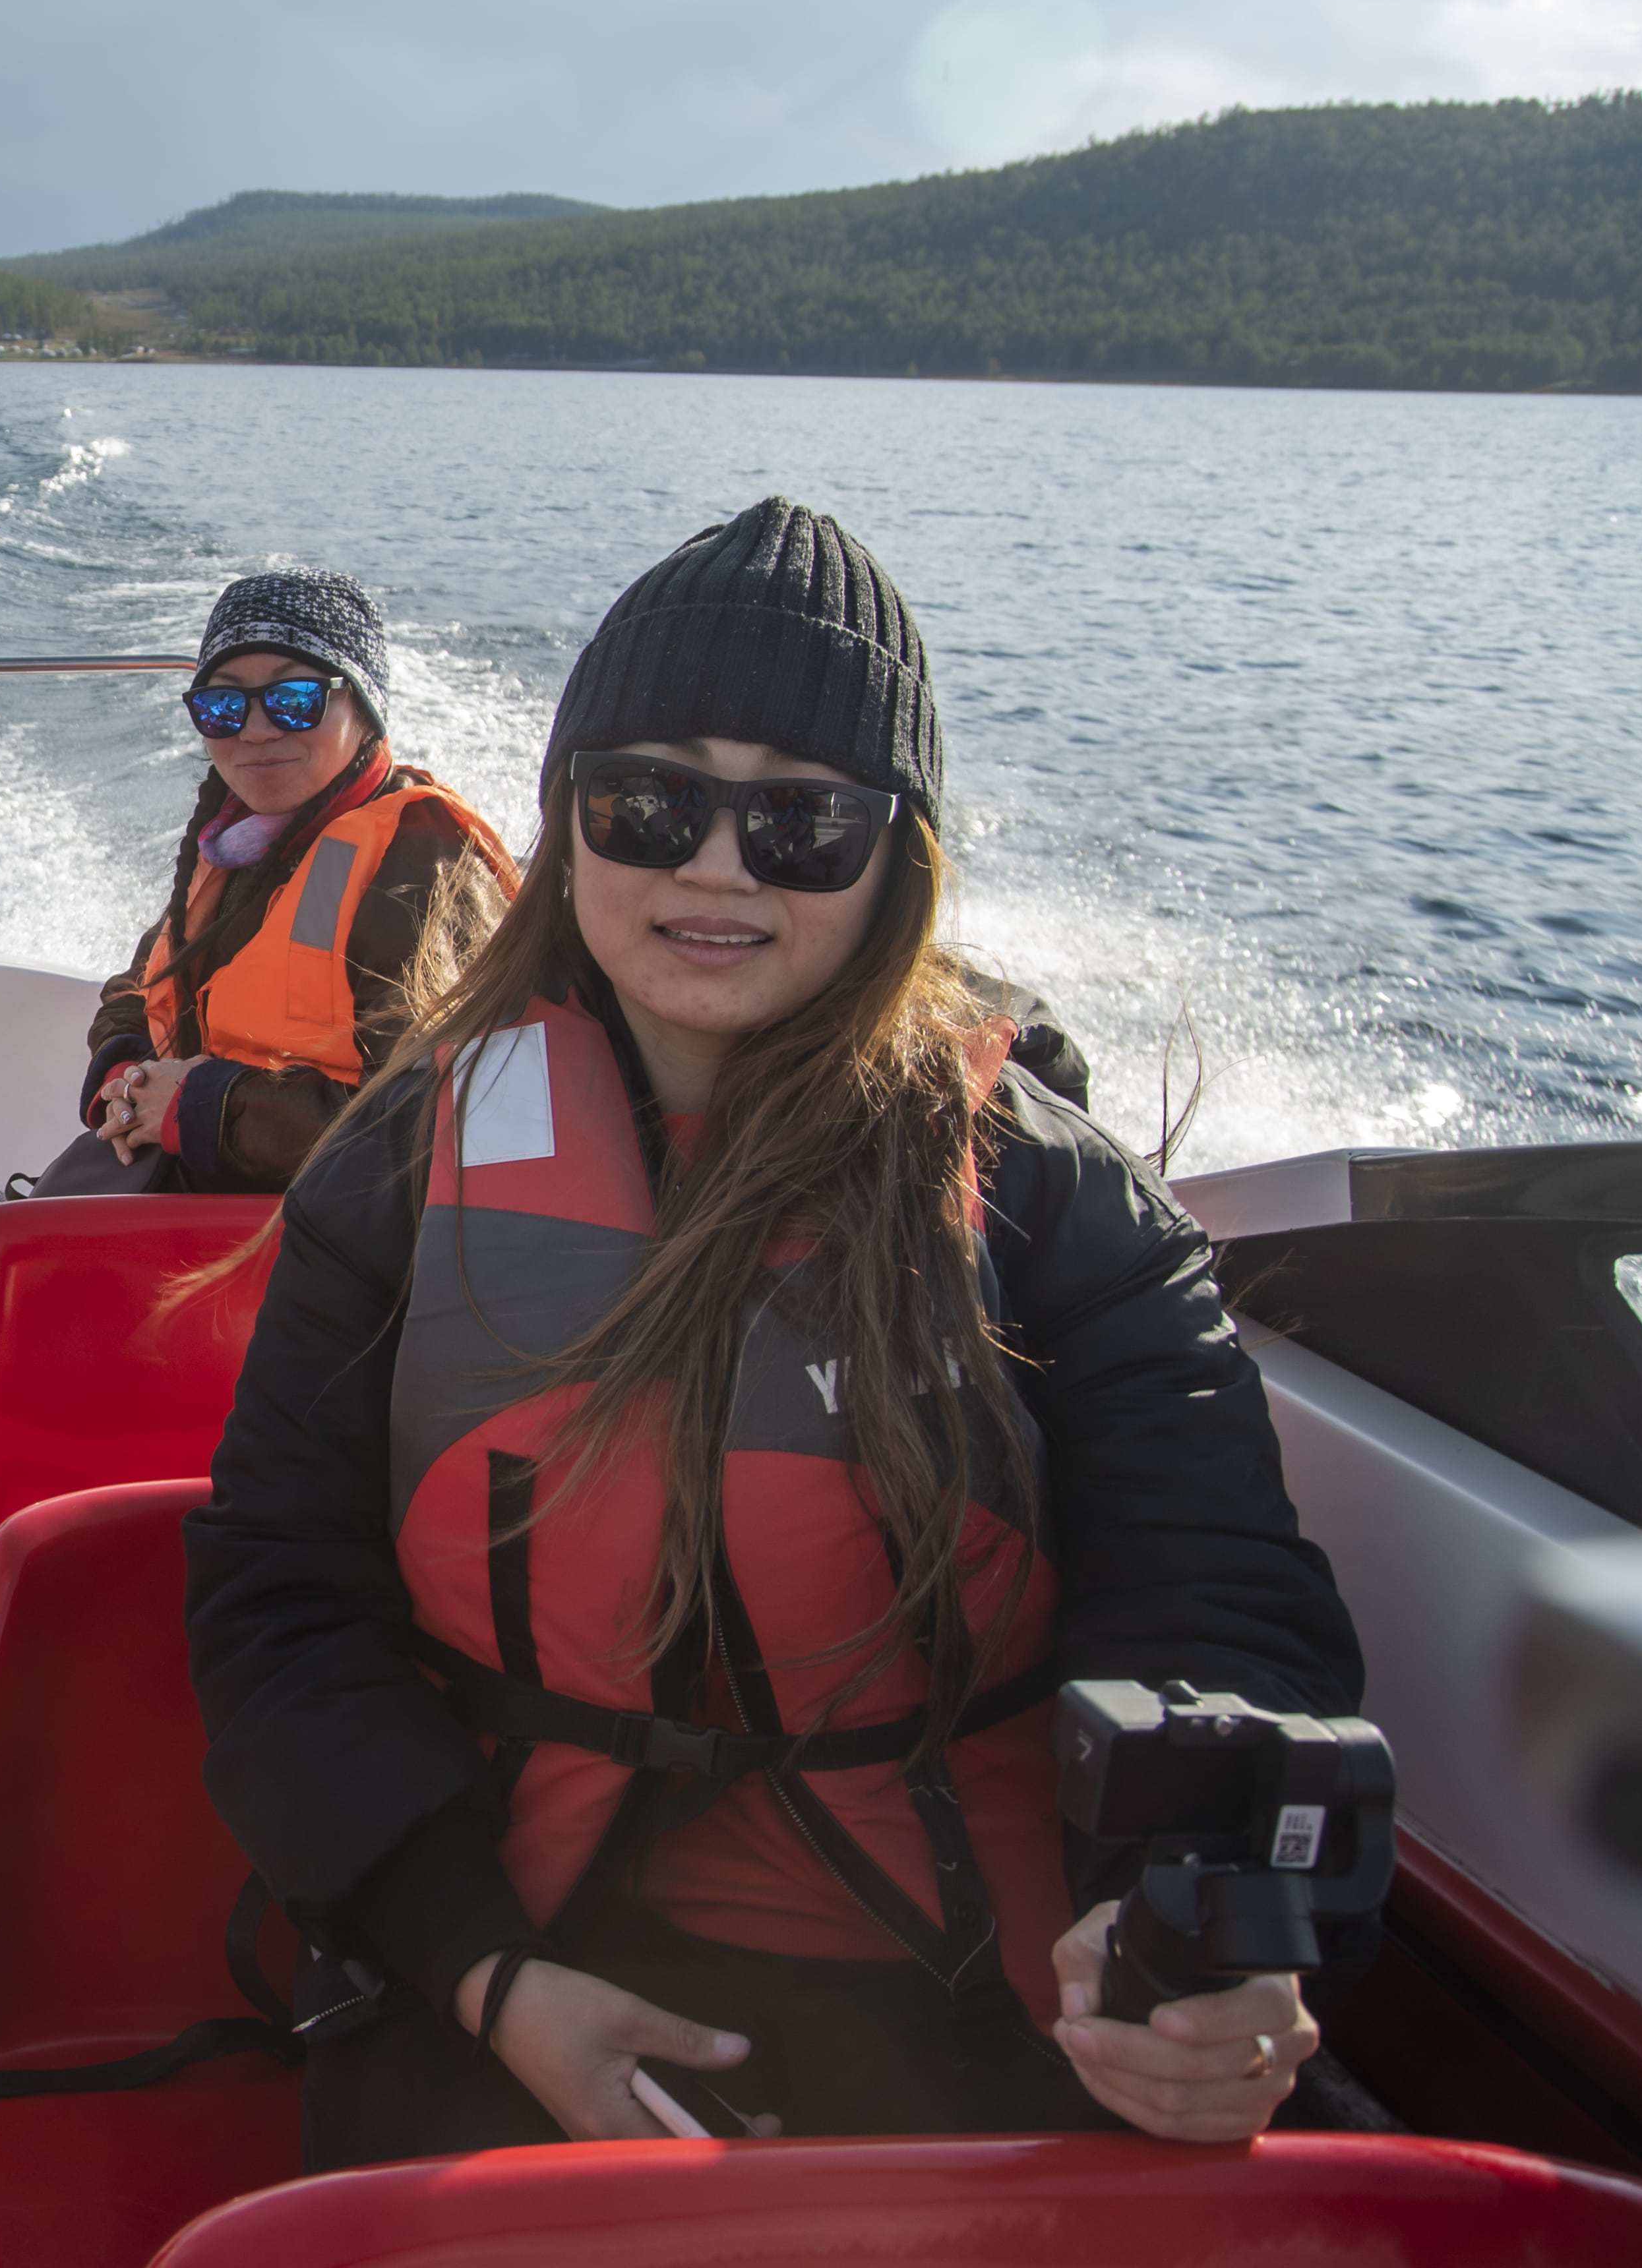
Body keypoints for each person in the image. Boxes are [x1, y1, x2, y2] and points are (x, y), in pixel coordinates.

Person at [184, 500, 1367, 2161]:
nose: (717, 869)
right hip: (495, 1968)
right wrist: (480, 1971)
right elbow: (278, 1601)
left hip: (991, 2003)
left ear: (899, 857)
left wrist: (1186, 1945)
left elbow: (1218, 1603)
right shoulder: (396, 1170)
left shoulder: (1060, 1206)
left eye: (802, 823)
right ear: (569, 818)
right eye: (649, 802)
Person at [75, 570, 514, 1193]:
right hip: (212, 1183)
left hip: (336, 1238)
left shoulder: (422, 869)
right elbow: (150, 978)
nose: (256, 730)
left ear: (364, 710)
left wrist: (200, 1109)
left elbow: (432, 1121)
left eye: (295, 699)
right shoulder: (242, 841)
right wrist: (124, 1069)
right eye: (224, 706)